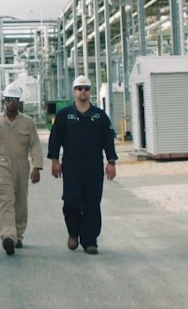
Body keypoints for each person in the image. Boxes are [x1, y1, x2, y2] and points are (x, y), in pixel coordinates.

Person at [47, 75, 118, 255]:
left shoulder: (99, 116)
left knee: (92, 204)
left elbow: (108, 140)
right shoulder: (64, 115)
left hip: (93, 168)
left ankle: (89, 241)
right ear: (74, 91)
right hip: (71, 167)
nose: (83, 92)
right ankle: (73, 232)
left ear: (90, 91)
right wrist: (54, 161)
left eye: (86, 88)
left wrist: (111, 162)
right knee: (71, 201)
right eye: (79, 88)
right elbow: (55, 139)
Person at [0, 83, 43, 256]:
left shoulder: (28, 123)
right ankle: (8, 235)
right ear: (4, 101)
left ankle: (19, 234)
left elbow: (35, 146)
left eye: (15, 100)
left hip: (22, 165)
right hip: (1, 165)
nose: (12, 103)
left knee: (20, 201)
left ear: (19, 102)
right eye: (9, 100)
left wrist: (37, 167)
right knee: (5, 200)